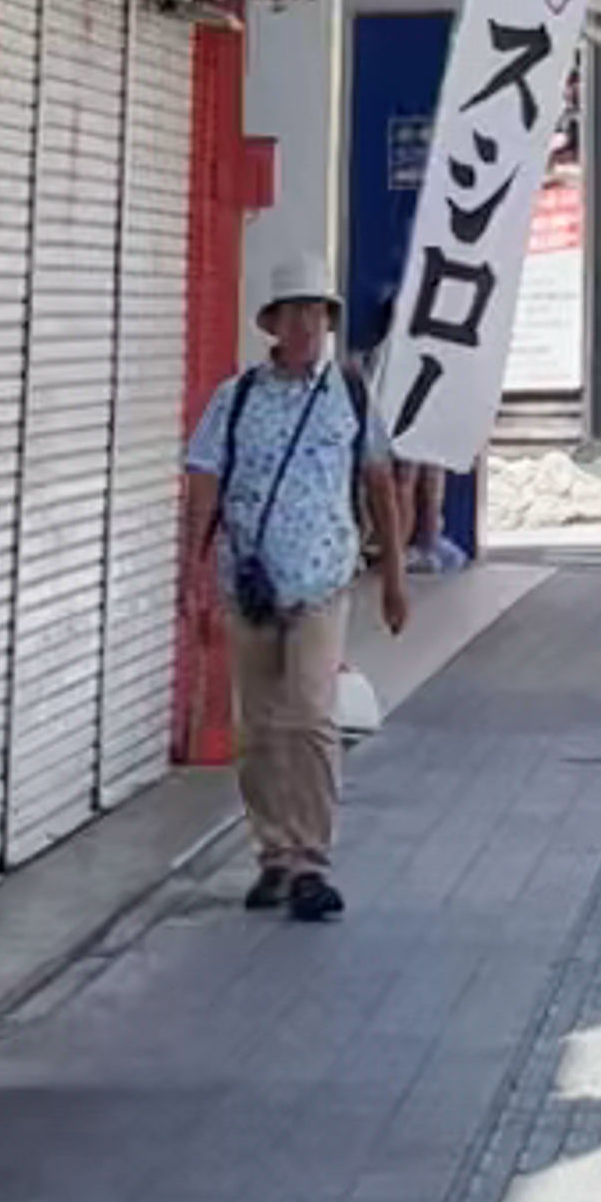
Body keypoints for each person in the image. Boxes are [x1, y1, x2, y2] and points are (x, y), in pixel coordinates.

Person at [181, 276, 409, 923]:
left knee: (310, 714)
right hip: (248, 583)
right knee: (256, 726)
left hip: (321, 582)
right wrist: (191, 580)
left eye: (319, 313)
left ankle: (311, 858)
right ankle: (273, 853)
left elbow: (380, 485)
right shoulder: (237, 397)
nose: (309, 326)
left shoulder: (350, 396)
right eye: (297, 314)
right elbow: (202, 482)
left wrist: (394, 577)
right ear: (273, 324)